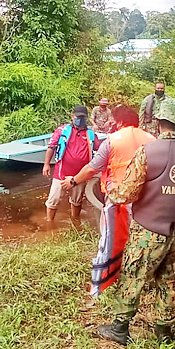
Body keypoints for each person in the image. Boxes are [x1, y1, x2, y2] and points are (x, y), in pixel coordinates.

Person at [97, 98, 175, 345]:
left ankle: (119, 328)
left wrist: (110, 189)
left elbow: (127, 194)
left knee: (134, 277)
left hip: (148, 231)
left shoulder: (147, 153)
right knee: (170, 281)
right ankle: (165, 333)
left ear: (158, 122)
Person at [60, 105, 156, 297]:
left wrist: (72, 181)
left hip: (119, 202)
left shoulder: (112, 141)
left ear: (119, 122)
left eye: (113, 120)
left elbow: (91, 169)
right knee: (143, 242)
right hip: (148, 201)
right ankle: (143, 281)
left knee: (110, 241)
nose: (110, 123)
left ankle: (102, 284)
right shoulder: (153, 140)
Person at [43, 105, 99, 221]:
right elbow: (51, 147)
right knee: (53, 199)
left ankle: (75, 221)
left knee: (77, 200)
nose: (80, 119)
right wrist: (46, 164)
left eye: (83, 117)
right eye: (78, 117)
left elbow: (100, 151)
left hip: (80, 175)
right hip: (61, 172)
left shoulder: (90, 134)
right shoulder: (63, 130)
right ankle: (49, 222)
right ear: (72, 116)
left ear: (87, 118)